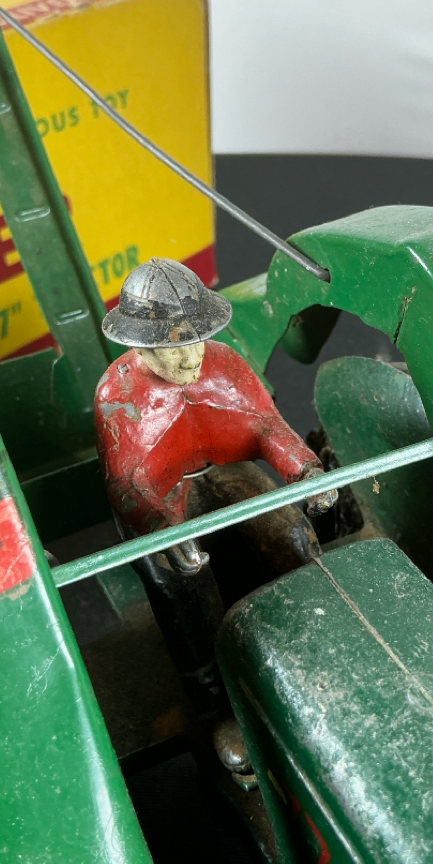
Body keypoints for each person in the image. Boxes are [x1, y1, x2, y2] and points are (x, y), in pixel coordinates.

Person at [94, 257, 336, 708]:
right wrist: (163, 528)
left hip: (227, 470)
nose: (192, 359)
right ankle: (205, 674)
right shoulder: (117, 394)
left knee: (292, 538)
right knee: (178, 580)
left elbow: (266, 426)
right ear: (140, 349)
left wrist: (305, 471)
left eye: (197, 341)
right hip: (158, 503)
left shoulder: (225, 363)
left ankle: (314, 635)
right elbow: (126, 482)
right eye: (174, 349)